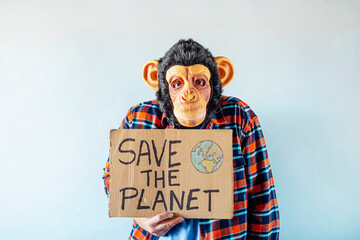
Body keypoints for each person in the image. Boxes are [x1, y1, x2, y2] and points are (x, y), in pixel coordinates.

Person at [103, 39, 280, 239]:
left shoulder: (238, 116)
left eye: (200, 82)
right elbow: (114, 177)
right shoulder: (139, 117)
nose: (188, 94)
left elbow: (262, 194)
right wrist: (139, 216)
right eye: (177, 84)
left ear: (219, 77)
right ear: (157, 80)